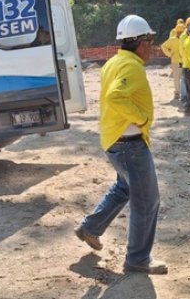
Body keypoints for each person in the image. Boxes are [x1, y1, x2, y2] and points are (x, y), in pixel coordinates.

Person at [75, 14, 168, 275]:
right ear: (141, 43)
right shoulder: (132, 67)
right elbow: (116, 96)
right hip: (130, 144)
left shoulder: (114, 62)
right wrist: (142, 118)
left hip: (115, 140)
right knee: (147, 202)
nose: (152, 46)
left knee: (124, 188)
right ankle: (138, 258)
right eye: (150, 40)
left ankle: (90, 228)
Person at [160, 24, 185, 101]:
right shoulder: (173, 39)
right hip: (177, 61)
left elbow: (163, 46)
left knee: (180, 78)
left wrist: (170, 54)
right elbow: (163, 46)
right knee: (178, 78)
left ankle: (181, 93)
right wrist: (170, 54)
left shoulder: (182, 39)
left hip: (181, 61)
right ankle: (178, 93)